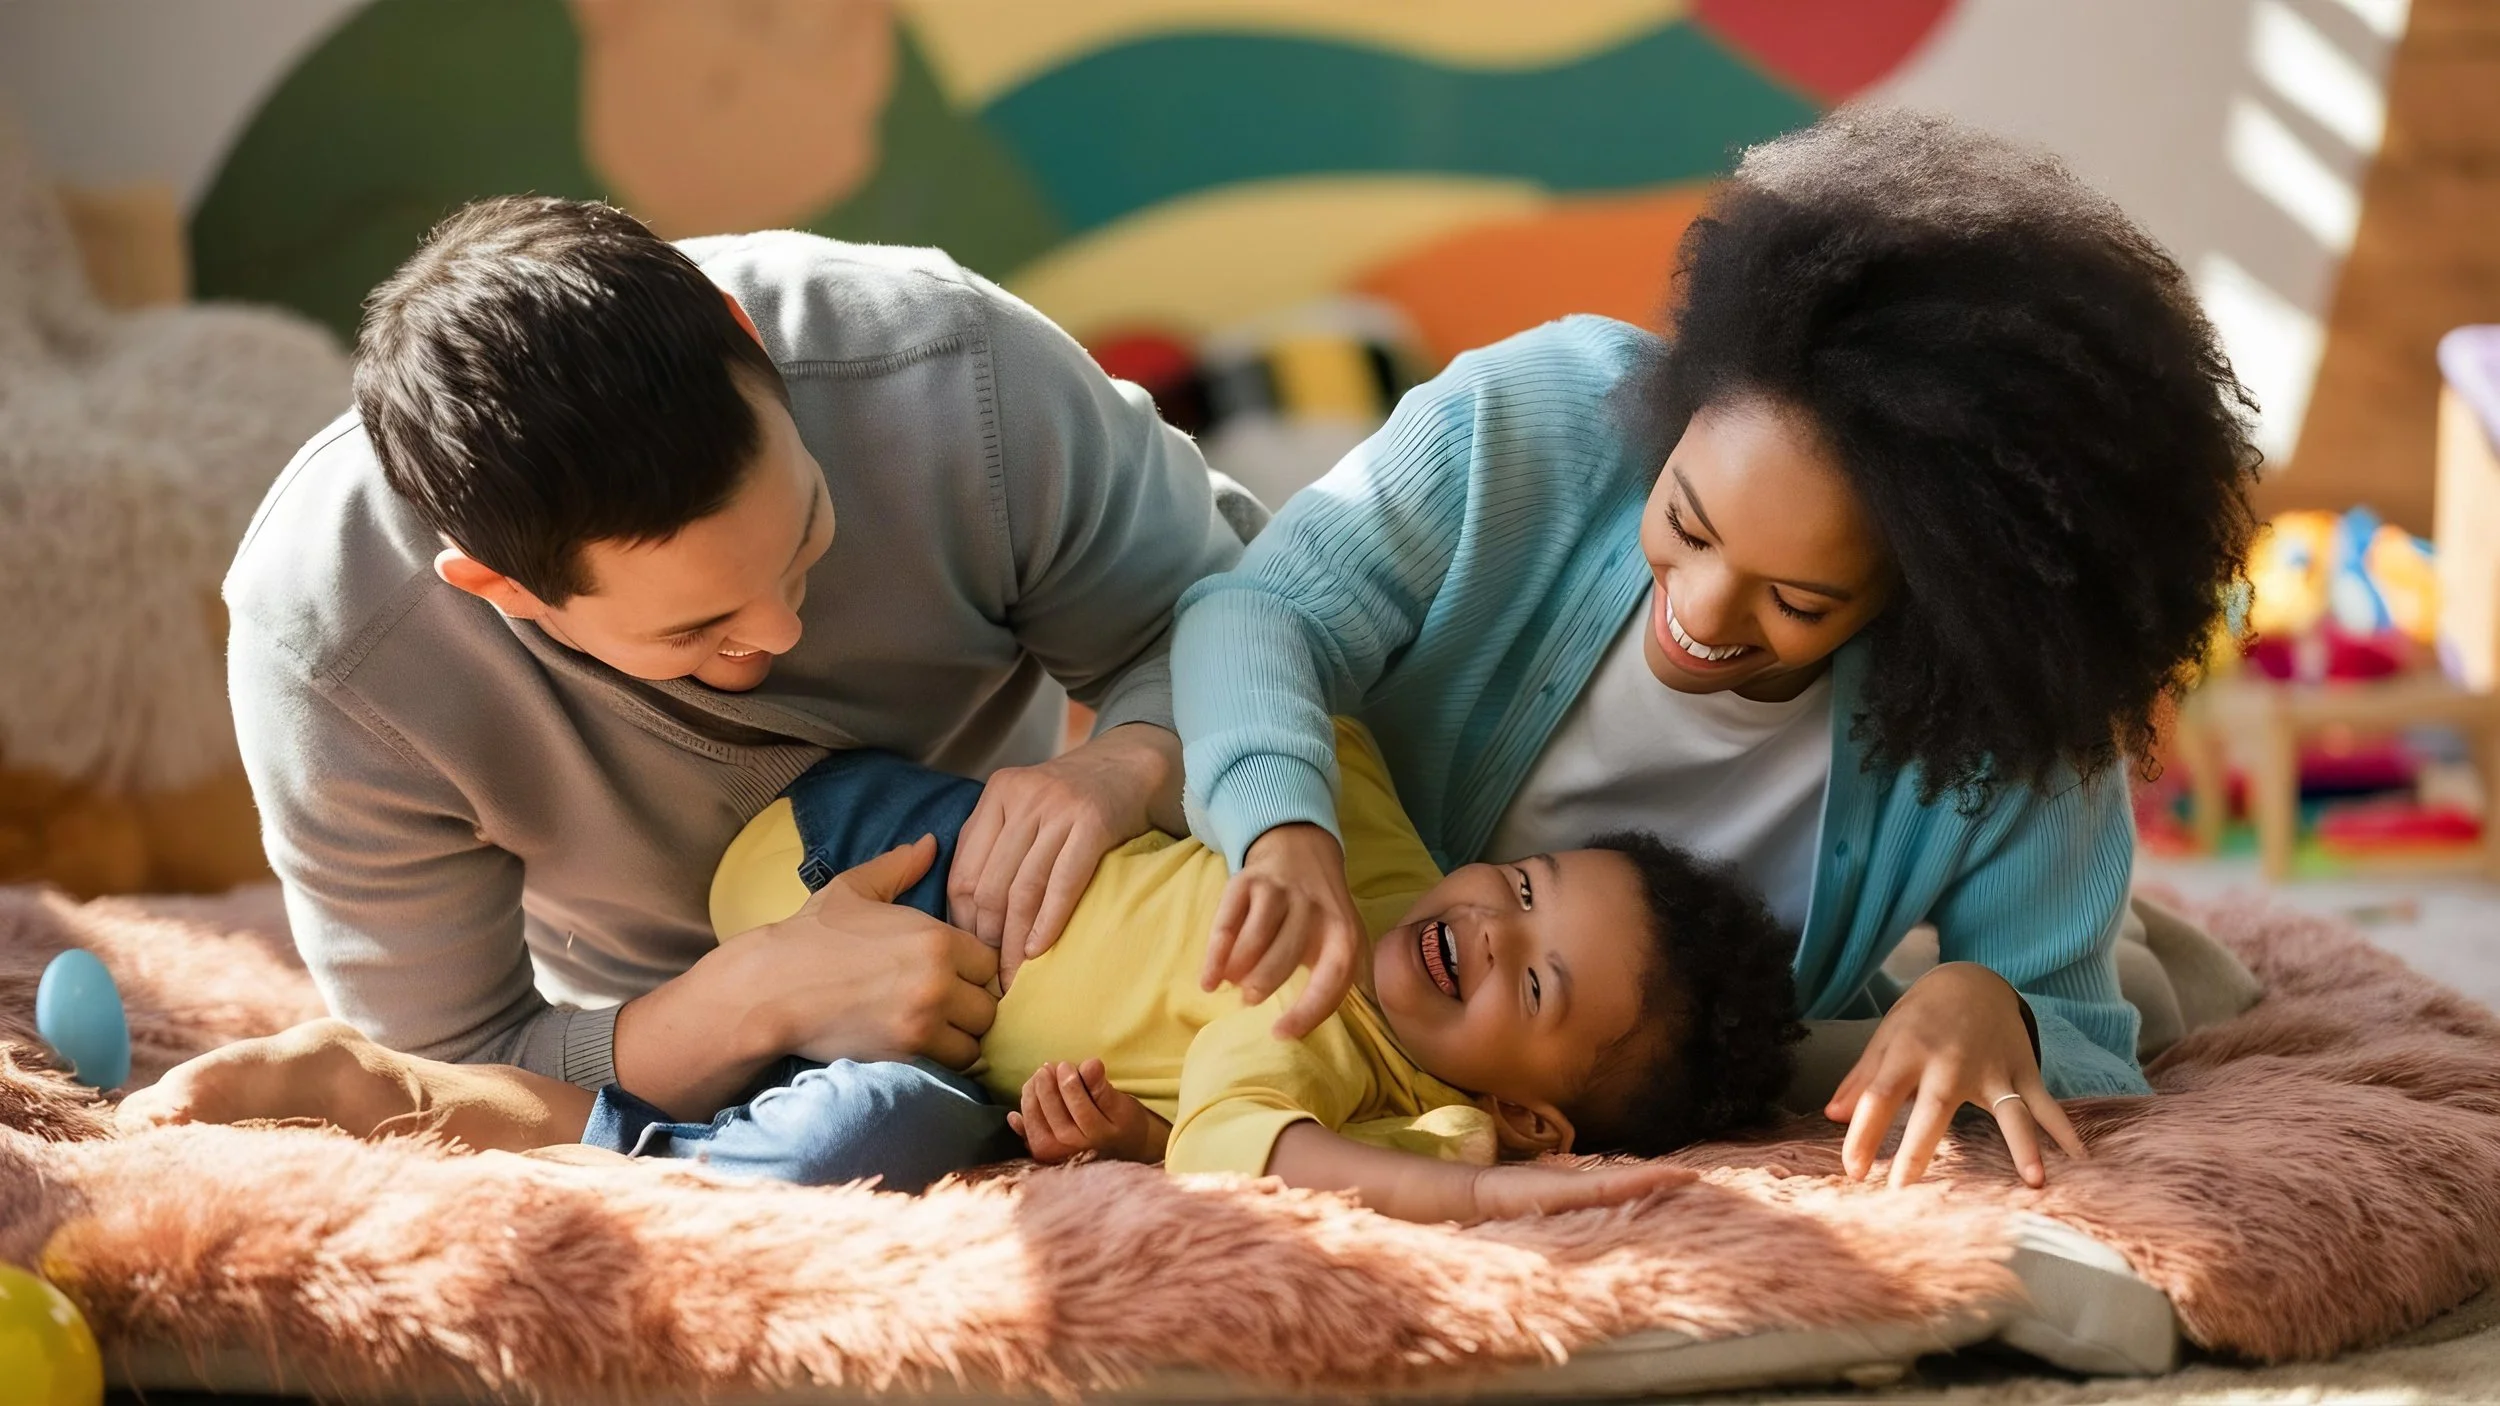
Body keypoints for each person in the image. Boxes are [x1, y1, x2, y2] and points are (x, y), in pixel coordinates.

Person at [1167, 108, 2262, 1191]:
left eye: (1797, 599)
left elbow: (2083, 1045)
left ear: (1930, 603)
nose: (1699, 610)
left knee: (2030, 1006)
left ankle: (2124, 952)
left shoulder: (1998, 711)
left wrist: (1998, 1004)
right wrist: (1284, 822)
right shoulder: (1533, 417)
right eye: (1684, 522)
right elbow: (1259, 613)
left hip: (1684, 1064)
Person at [221, 195, 1262, 1183]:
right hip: (663, 1027)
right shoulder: (336, 652)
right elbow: (454, 1064)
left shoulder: (953, 369)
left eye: (805, 533)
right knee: (855, 1146)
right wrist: (753, 1005)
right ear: (501, 590)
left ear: (745, 336)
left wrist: (1126, 758)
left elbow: (1254, 609)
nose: (780, 628)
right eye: (697, 630)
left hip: (1037, 918)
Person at [126, 721, 1803, 1222]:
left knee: (886, 1137)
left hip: (918, 1037)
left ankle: (400, 1096)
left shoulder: (1323, 1061)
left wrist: (1522, 1204)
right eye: (1517, 883)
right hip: (885, 837)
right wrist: (1140, 769)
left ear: (1530, 1106)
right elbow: (1299, 698)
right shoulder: (1358, 863)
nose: (1492, 923)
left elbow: (1281, 1162)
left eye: (1535, 979)